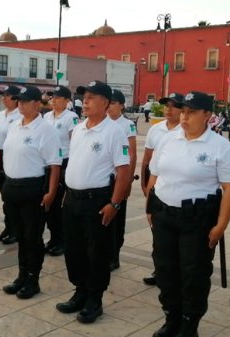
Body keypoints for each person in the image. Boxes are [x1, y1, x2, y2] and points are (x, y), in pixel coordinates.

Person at [146, 91, 230, 337]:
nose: (184, 117)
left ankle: (189, 324)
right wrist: (150, 206)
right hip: (164, 216)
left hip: (196, 221)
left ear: (207, 115)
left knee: (193, 275)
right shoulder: (168, 139)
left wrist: (221, 225)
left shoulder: (221, 147)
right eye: (183, 111)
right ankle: (172, 318)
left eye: (191, 112)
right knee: (165, 270)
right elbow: (154, 173)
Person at [56, 81, 130, 324]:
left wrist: (115, 204)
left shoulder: (114, 132)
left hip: (97, 200)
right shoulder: (79, 128)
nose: (85, 101)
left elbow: (123, 171)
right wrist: (67, 192)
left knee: (96, 252)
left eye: (91, 97)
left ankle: (94, 300)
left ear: (106, 102)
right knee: (74, 249)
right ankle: (80, 291)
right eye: (84, 97)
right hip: (73, 199)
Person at [1, 86, 61, 299]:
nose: (21, 105)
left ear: (37, 104)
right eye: (19, 101)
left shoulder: (45, 130)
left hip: (33, 189)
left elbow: (55, 164)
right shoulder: (15, 125)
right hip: (12, 187)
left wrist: (51, 192)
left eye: (26, 101)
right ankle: (21, 275)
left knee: (32, 237)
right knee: (21, 236)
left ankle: (32, 279)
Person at [140, 92, 183, 286]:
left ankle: (176, 272)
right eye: (166, 105)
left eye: (173, 106)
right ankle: (160, 270)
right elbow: (147, 160)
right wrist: (144, 185)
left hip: (176, 190)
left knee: (176, 238)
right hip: (156, 185)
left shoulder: (186, 130)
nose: (168, 109)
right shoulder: (156, 130)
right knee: (158, 234)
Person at [42, 85, 79, 256]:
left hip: (64, 162)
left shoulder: (71, 117)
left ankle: (62, 240)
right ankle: (53, 237)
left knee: (59, 203)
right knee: (49, 203)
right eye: (52, 97)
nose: (54, 100)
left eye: (58, 97)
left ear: (67, 100)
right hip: (49, 163)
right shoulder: (47, 116)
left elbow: (75, 143)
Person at [107, 89, 137, 271]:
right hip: (104, 179)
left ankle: (114, 254)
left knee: (117, 219)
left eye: (112, 103)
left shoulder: (127, 125)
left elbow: (132, 155)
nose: (109, 106)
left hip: (119, 179)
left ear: (121, 105)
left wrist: (127, 181)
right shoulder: (99, 123)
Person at [0, 85, 22, 245]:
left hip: (11, 156)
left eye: (7, 96)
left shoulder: (19, 115)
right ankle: (8, 227)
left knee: (11, 197)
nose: (3, 98)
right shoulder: (1, 114)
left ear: (17, 99)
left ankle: (15, 230)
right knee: (4, 195)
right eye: (3, 96)